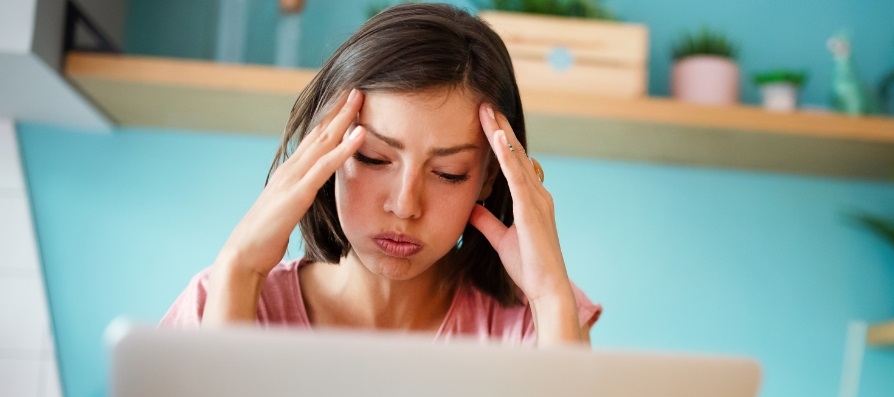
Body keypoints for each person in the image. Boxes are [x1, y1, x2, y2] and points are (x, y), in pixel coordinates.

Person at [162, 3, 599, 345]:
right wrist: (240, 268)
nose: (405, 206)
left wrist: (549, 297)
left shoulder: (535, 323)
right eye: (373, 158)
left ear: (489, 178)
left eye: (448, 173)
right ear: (324, 153)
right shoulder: (220, 298)